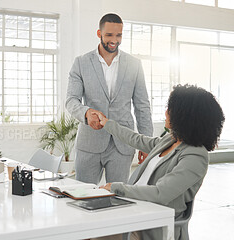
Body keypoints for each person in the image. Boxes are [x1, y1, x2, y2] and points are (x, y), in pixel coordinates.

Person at [96, 84, 225, 240]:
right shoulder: (170, 140)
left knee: (92, 233)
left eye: (169, 109)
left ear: (184, 116)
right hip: (132, 209)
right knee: (85, 225)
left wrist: (117, 188)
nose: (166, 113)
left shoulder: (195, 156)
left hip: (151, 224)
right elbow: (136, 139)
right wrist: (107, 124)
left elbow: (161, 193)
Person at [65, 13, 153, 184]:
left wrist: (146, 142)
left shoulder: (134, 64)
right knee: (84, 198)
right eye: (109, 35)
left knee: (118, 199)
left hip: (123, 143)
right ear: (99, 34)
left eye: (119, 35)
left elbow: (142, 106)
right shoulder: (81, 63)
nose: (114, 40)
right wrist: (86, 112)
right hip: (90, 143)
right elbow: (71, 100)